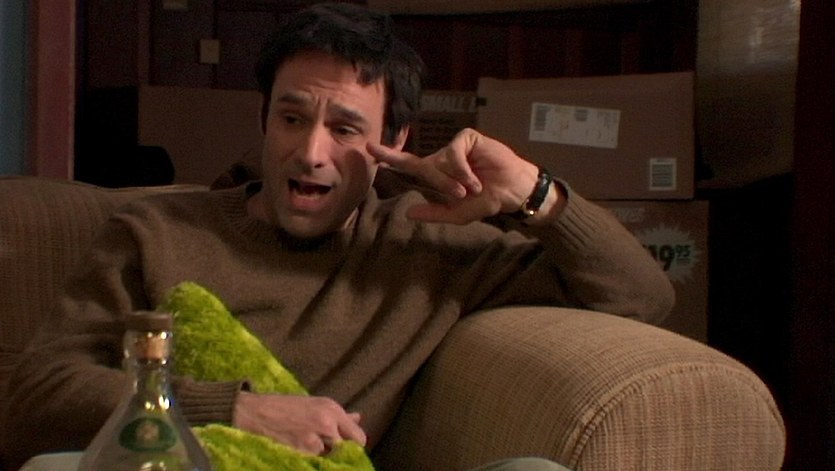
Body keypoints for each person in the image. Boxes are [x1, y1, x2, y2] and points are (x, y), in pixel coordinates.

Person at [0, 3, 674, 471]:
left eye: (345, 129)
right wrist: (235, 411)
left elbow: (641, 296)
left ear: (394, 140)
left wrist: (533, 192)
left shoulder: (426, 244)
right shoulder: (154, 234)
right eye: (291, 118)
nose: (310, 152)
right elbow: (32, 401)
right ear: (263, 119)